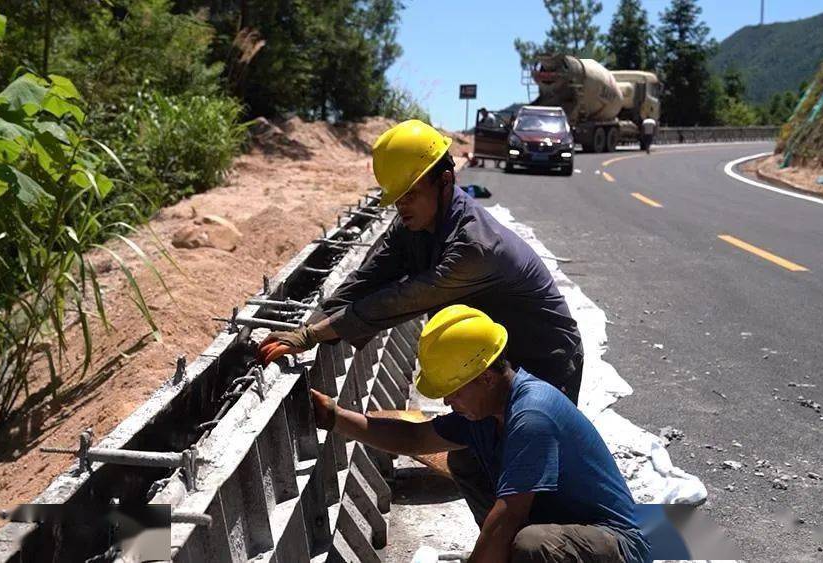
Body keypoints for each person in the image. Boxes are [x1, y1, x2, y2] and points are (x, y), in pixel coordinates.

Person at [258, 119, 584, 404]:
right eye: (397, 197)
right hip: (489, 363)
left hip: (543, 361)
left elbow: (403, 300)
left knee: (519, 462)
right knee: (474, 462)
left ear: (444, 182)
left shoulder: (475, 247)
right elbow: (369, 278)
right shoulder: (414, 224)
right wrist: (306, 326)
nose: (401, 206)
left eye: (410, 194)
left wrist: (314, 335)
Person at [308, 305, 649, 562]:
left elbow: (508, 516)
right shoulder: (486, 411)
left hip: (616, 544)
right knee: (464, 458)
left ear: (486, 378)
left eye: (454, 390)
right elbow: (413, 439)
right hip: (558, 525)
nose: (446, 399)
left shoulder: (532, 414)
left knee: (530, 544)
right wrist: (336, 417)